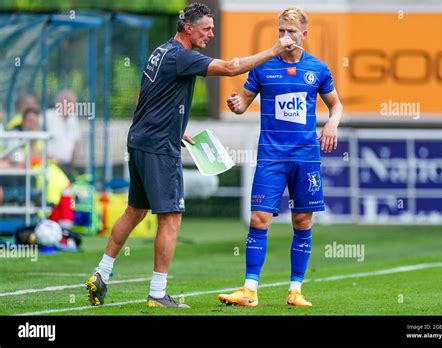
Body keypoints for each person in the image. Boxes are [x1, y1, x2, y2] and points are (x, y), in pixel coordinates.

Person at [85, 2, 295, 308]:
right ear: (188, 28)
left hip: (142, 139)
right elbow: (231, 67)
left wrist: (170, 127)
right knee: (171, 218)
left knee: (134, 211)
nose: (211, 33)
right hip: (157, 146)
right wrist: (274, 50)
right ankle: (157, 293)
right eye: (207, 28)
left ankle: (101, 273)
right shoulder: (183, 56)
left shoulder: (161, 51)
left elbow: (144, 96)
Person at [218, 7, 343, 307]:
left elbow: (336, 105)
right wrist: (237, 104)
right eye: (281, 32)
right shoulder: (263, 68)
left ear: (304, 35)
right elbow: (242, 103)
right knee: (259, 218)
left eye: (291, 32)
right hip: (271, 156)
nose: (285, 37)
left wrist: (332, 123)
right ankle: (249, 290)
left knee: (302, 220)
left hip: (306, 158)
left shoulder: (318, 69)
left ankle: (295, 290)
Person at [45, 90, 81, 179]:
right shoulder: (48, 117)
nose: (73, 107)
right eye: (71, 104)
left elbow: (75, 143)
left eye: (74, 104)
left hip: (67, 167)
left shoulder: (73, 119)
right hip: (50, 167)